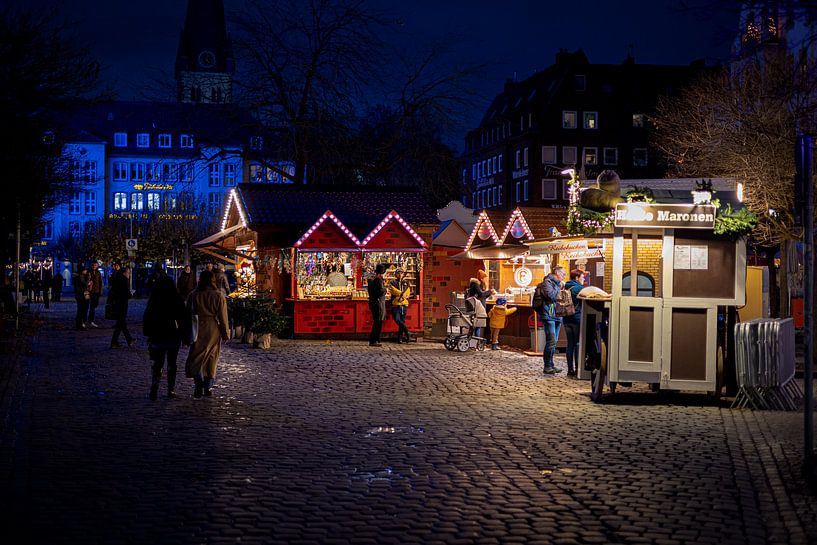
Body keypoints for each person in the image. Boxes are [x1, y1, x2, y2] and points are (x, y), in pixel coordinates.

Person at [184, 270, 229, 398]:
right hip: (213, 328)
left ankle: (199, 383)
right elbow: (223, 316)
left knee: (196, 356)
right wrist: (225, 333)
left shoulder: (194, 295)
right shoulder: (218, 295)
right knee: (211, 358)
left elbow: (187, 314)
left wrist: (186, 332)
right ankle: (207, 386)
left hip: (197, 328)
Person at [143, 275, 185, 400]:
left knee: (158, 362)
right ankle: (170, 389)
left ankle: (154, 387)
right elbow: (183, 317)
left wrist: (148, 332)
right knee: (172, 362)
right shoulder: (177, 298)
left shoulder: (154, 299)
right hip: (173, 334)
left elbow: (147, 316)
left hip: (158, 333)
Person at [535, 265, 566, 375]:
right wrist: (561, 292)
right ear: (557, 273)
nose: (564, 276)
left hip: (556, 316)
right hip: (548, 315)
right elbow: (551, 296)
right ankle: (547, 366)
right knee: (551, 341)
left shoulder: (557, 284)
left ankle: (551, 364)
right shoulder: (547, 283)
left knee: (554, 342)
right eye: (563, 274)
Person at [562, 269, 585, 377]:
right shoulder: (579, 288)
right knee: (577, 343)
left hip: (566, 319)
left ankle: (570, 369)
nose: (583, 279)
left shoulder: (566, 286)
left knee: (569, 344)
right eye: (582, 277)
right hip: (577, 319)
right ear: (576, 278)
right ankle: (578, 369)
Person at [109, 266, 135, 348]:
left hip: (118, 304)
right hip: (122, 305)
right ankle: (116, 342)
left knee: (121, 323)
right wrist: (130, 294)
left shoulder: (117, 280)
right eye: (128, 272)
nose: (129, 274)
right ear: (124, 273)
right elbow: (125, 294)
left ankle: (127, 340)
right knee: (121, 323)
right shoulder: (123, 281)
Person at [467, 269, 493, 339]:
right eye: (485, 278)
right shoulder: (476, 284)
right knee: (477, 326)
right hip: (478, 308)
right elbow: (481, 295)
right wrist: (490, 291)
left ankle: (474, 341)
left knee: (476, 326)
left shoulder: (477, 284)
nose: (486, 279)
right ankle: (475, 341)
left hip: (479, 307)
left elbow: (483, 296)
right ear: (481, 278)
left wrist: (488, 293)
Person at [388, 267, 411, 343]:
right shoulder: (392, 282)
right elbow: (393, 290)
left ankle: (400, 338)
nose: (400, 274)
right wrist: (401, 294)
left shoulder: (406, 283)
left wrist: (403, 296)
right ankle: (407, 332)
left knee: (402, 321)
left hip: (404, 304)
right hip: (396, 304)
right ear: (396, 274)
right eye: (399, 273)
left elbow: (408, 292)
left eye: (401, 273)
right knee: (397, 320)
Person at [367, 263, 387, 347]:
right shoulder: (378, 281)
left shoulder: (372, 280)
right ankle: (374, 340)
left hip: (373, 302)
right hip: (378, 303)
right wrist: (385, 290)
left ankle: (375, 339)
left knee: (377, 321)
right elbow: (381, 292)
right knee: (378, 322)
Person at [73, 265, 91, 330]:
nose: (86, 271)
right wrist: (88, 279)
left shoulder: (84, 277)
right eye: (85, 270)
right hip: (81, 296)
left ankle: (83, 324)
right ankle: (80, 324)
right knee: (80, 310)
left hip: (86, 295)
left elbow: (88, 286)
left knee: (85, 310)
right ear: (82, 271)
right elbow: (85, 285)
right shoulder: (78, 278)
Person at [87, 261, 103, 327]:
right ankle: (90, 320)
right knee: (90, 307)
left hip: (96, 292)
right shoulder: (89, 272)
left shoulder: (98, 273)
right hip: (90, 291)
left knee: (94, 306)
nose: (94, 266)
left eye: (95, 265)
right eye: (93, 265)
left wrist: (100, 291)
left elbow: (100, 282)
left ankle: (90, 320)